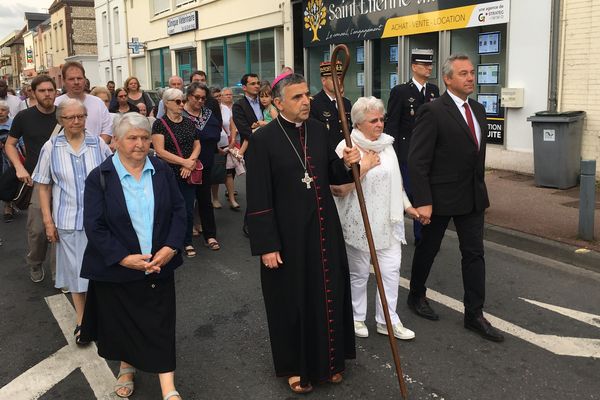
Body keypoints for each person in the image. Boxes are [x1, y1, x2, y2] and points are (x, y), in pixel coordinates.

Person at [245, 72, 360, 394]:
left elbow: (333, 176)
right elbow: (258, 196)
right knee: (292, 301)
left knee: (329, 294)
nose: (306, 101)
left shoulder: (319, 131)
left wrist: (350, 161)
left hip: (324, 231)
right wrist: (267, 244)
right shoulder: (264, 139)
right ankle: (296, 367)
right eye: (297, 97)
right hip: (287, 236)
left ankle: (333, 362)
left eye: (307, 95)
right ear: (278, 102)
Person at [79, 112, 186, 400]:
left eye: (145, 138)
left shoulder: (161, 169)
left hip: (159, 263)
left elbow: (179, 211)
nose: (140, 144)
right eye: (132, 138)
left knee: (161, 321)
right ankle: (127, 367)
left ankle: (168, 387)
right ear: (115, 142)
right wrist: (124, 259)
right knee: (125, 323)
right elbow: (95, 226)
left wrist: (172, 246)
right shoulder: (99, 177)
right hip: (120, 269)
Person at [407, 54, 504, 343]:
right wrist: (423, 199)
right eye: (463, 73)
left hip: (472, 196)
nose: (471, 78)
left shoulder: (478, 109)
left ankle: (474, 314)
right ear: (448, 79)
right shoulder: (433, 111)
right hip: (440, 197)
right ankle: (416, 294)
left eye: (472, 73)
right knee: (429, 248)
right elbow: (417, 160)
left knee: (474, 254)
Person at [332, 96, 418, 341]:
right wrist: (365, 166)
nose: (380, 124)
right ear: (358, 123)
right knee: (358, 273)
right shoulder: (346, 147)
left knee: (390, 272)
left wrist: (408, 207)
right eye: (373, 120)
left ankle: (387, 320)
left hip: (387, 221)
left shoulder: (387, 144)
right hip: (358, 222)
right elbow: (338, 188)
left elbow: (396, 182)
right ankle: (356, 317)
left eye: (381, 119)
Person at [32, 98, 112, 343]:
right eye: (70, 117)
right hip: (68, 220)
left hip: (100, 220)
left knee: (103, 270)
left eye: (81, 116)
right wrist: (48, 221)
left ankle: (104, 318)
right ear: (61, 120)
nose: (77, 121)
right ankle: (82, 320)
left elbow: (114, 175)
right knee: (78, 273)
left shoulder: (97, 144)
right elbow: (43, 185)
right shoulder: (51, 147)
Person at [6, 75, 60, 282]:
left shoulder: (65, 115)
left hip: (64, 179)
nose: (47, 94)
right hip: (38, 180)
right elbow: (10, 144)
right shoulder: (24, 117)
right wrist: (19, 167)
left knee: (62, 228)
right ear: (33, 93)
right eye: (42, 90)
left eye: (50, 90)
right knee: (38, 229)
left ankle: (59, 272)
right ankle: (35, 262)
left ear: (56, 92)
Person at [386, 49, 440, 245]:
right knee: (403, 195)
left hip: (428, 154)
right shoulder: (400, 92)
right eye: (425, 65)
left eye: (430, 64)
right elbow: (392, 125)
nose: (429, 68)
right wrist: (391, 155)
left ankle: (422, 236)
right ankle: (392, 230)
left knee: (422, 195)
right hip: (406, 155)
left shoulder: (433, 91)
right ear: (414, 67)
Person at [152, 88, 200, 258]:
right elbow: (160, 151)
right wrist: (184, 162)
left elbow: (197, 145)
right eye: (178, 101)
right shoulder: (159, 123)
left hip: (188, 172)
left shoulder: (189, 122)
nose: (182, 104)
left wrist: (190, 163)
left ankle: (187, 241)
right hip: (168, 173)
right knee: (167, 208)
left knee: (187, 209)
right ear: (166, 103)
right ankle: (168, 242)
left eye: (183, 100)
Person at [182, 82, 221, 250]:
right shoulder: (180, 114)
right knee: (185, 202)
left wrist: (199, 136)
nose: (200, 101)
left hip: (205, 164)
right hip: (184, 165)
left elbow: (215, 134)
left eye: (203, 98)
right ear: (189, 96)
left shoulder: (208, 113)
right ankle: (185, 240)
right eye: (196, 97)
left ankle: (210, 235)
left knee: (205, 201)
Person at [232, 73, 263, 236]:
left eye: (258, 83)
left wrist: (258, 127)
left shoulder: (265, 102)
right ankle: (249, 223)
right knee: (256, 187)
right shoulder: (239, 106)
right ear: (244, 87)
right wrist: (265, 130)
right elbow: (245, 131)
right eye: (252, 84)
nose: (257, 86)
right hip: (253, 151)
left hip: (271, 148)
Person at [55, 61, 112, 144]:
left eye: (79, 78)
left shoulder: (98, 103)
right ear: (64, 81)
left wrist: (94, 148)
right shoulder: (57, 104)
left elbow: (107, 130)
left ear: (85, 80)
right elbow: (55, 134)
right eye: (71, 79)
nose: (76, 82)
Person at [310, 61, 352, 150]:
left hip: (347, 152)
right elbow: (314, 135)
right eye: (334, 79)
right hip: (327, 152)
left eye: (340, 78)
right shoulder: (314, 104)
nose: (338, 82)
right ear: (323, 81)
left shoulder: (346, 103)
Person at [0, 101, 14, 222]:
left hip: (10, 156)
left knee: (7, 180)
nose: (0, 112)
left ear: (8, 112)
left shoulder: (13, 123)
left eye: (3, 110)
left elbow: (20, 139)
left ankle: (8, 205)